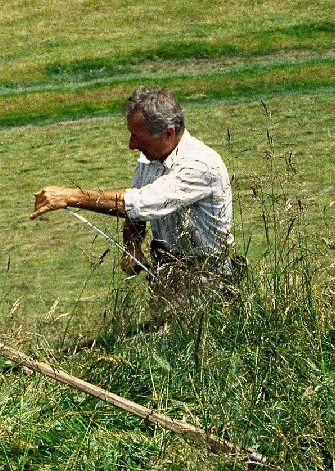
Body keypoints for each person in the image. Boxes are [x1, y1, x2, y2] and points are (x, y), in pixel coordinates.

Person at [30, 86, 235, 316]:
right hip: (167, 279)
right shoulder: (150, 157)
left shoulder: (200, 165)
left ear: (168, 133)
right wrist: (131, 246)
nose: (131, 145)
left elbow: (141, 203)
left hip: (208, 285)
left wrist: (71, 197)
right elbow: (136, 212)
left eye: (138, 137)